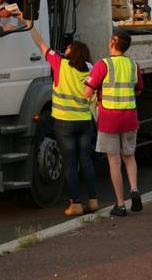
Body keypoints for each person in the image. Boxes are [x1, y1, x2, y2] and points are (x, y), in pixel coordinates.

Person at [26, 23, 98, 216]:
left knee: (70, 163)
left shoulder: (60, 65)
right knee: (87, 161)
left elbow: (41, 44)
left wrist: (30, 26)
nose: (65, 49)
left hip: (64, 123)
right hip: (84, 121)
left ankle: (75, 203)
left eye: (68, 48)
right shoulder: (89, 69)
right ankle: (93, 200)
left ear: (72, 53)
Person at [83, 30, 143, 217]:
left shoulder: (103, 64)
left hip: (109, 118)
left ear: (112, 43)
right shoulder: (133, 65)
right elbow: (139, 89)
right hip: (130, 116)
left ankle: (120, 205)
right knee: (129, 156)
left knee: (114, 162)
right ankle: (134, 189)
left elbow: (87, 92)